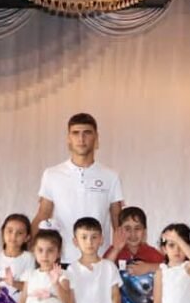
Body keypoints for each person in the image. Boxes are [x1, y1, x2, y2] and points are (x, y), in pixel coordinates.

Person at [30, 113, 124, 265]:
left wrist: (121, 254)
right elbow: (43, 214)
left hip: (100, 260)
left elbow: (117, 220)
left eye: (87, 133)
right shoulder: (52, 174)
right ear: (69, 138)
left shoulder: (111, 176)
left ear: (96, 138)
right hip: (62, 260)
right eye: (75, 133)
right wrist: (27, 248)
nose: (81, 138)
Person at [0, 213, 35, 300]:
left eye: (19, 233)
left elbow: (30, 287)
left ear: (27, 237)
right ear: (2, 232)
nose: (13, 236)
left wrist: (13, 283)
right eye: (10, 231)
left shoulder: (28, 258)